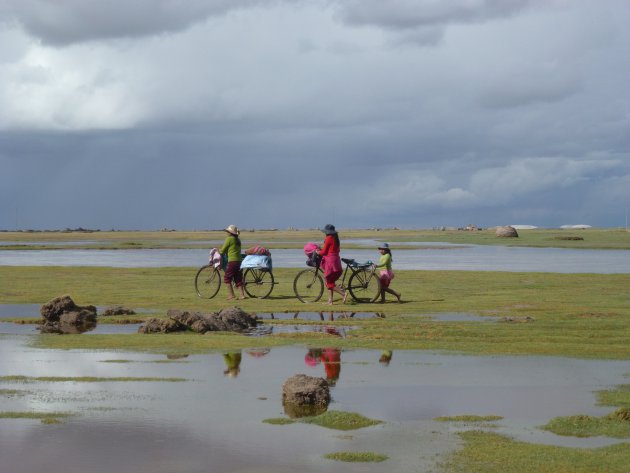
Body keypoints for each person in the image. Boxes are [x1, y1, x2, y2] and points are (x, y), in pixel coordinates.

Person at [318, 224, 347, 305]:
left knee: (328, 282)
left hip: (330, 262)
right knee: (330, 281)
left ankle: (343, 294)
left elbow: (324, 252)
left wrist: (318, 252)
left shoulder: (329, 238)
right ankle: (330, 301)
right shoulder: (336, 239)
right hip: (336, 261)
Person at [219, 224, 246, 300]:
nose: (227, 233)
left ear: (230, 233)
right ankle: (242, 295)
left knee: (227, 278)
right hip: (239, 261)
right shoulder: (238, 240)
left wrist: (219, 252)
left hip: (232, 261)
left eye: (227, 231)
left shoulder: (229, 239)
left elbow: (223, 250)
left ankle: (231, 295)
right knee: (238, 279)